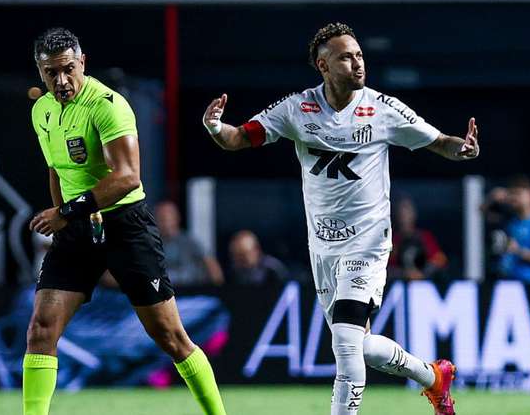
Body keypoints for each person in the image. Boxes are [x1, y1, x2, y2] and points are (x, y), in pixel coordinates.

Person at [201, 22, 480, 415]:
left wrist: (462, 149)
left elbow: (438, 142)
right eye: (346, 57)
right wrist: (215, 127)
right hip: (323, 247)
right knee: (360, 346)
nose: (357, 63)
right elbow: (239, 138)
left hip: (367, 244)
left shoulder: (383, 108)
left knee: (346, 350)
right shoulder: (297, 108)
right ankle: (433, 377)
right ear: (323, 65)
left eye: (360, 55)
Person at [24, 28, 226, 415]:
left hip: (124, 226)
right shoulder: (41, 110)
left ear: (82, 62)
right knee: (41, 329)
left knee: (170, 337)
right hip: (77, 231)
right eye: (51, 73)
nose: (61, 81)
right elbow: (56, 170)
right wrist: (65, 221)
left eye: (68, 69)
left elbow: (128, 177)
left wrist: (65, 212)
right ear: (40, 71)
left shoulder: (107, 105)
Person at [155, 200, 224, 286]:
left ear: (177, 218)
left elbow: (209, 262)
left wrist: (219, 288)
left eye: (169, 218)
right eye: (162, 219)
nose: (166, 223)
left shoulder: (189, 241)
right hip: (163, 292)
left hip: (189, 289)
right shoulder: (152, 244)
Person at [389, 197, 448, 281]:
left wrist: (422, 273)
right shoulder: (393, 240)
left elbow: (440, 260)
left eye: (407, 212)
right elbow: (385, 268)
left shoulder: (424, 237)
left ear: (414, 214)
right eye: (401, 213)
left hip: (424, 286)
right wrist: (404, 274)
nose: (404, 217)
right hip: (398, 287)